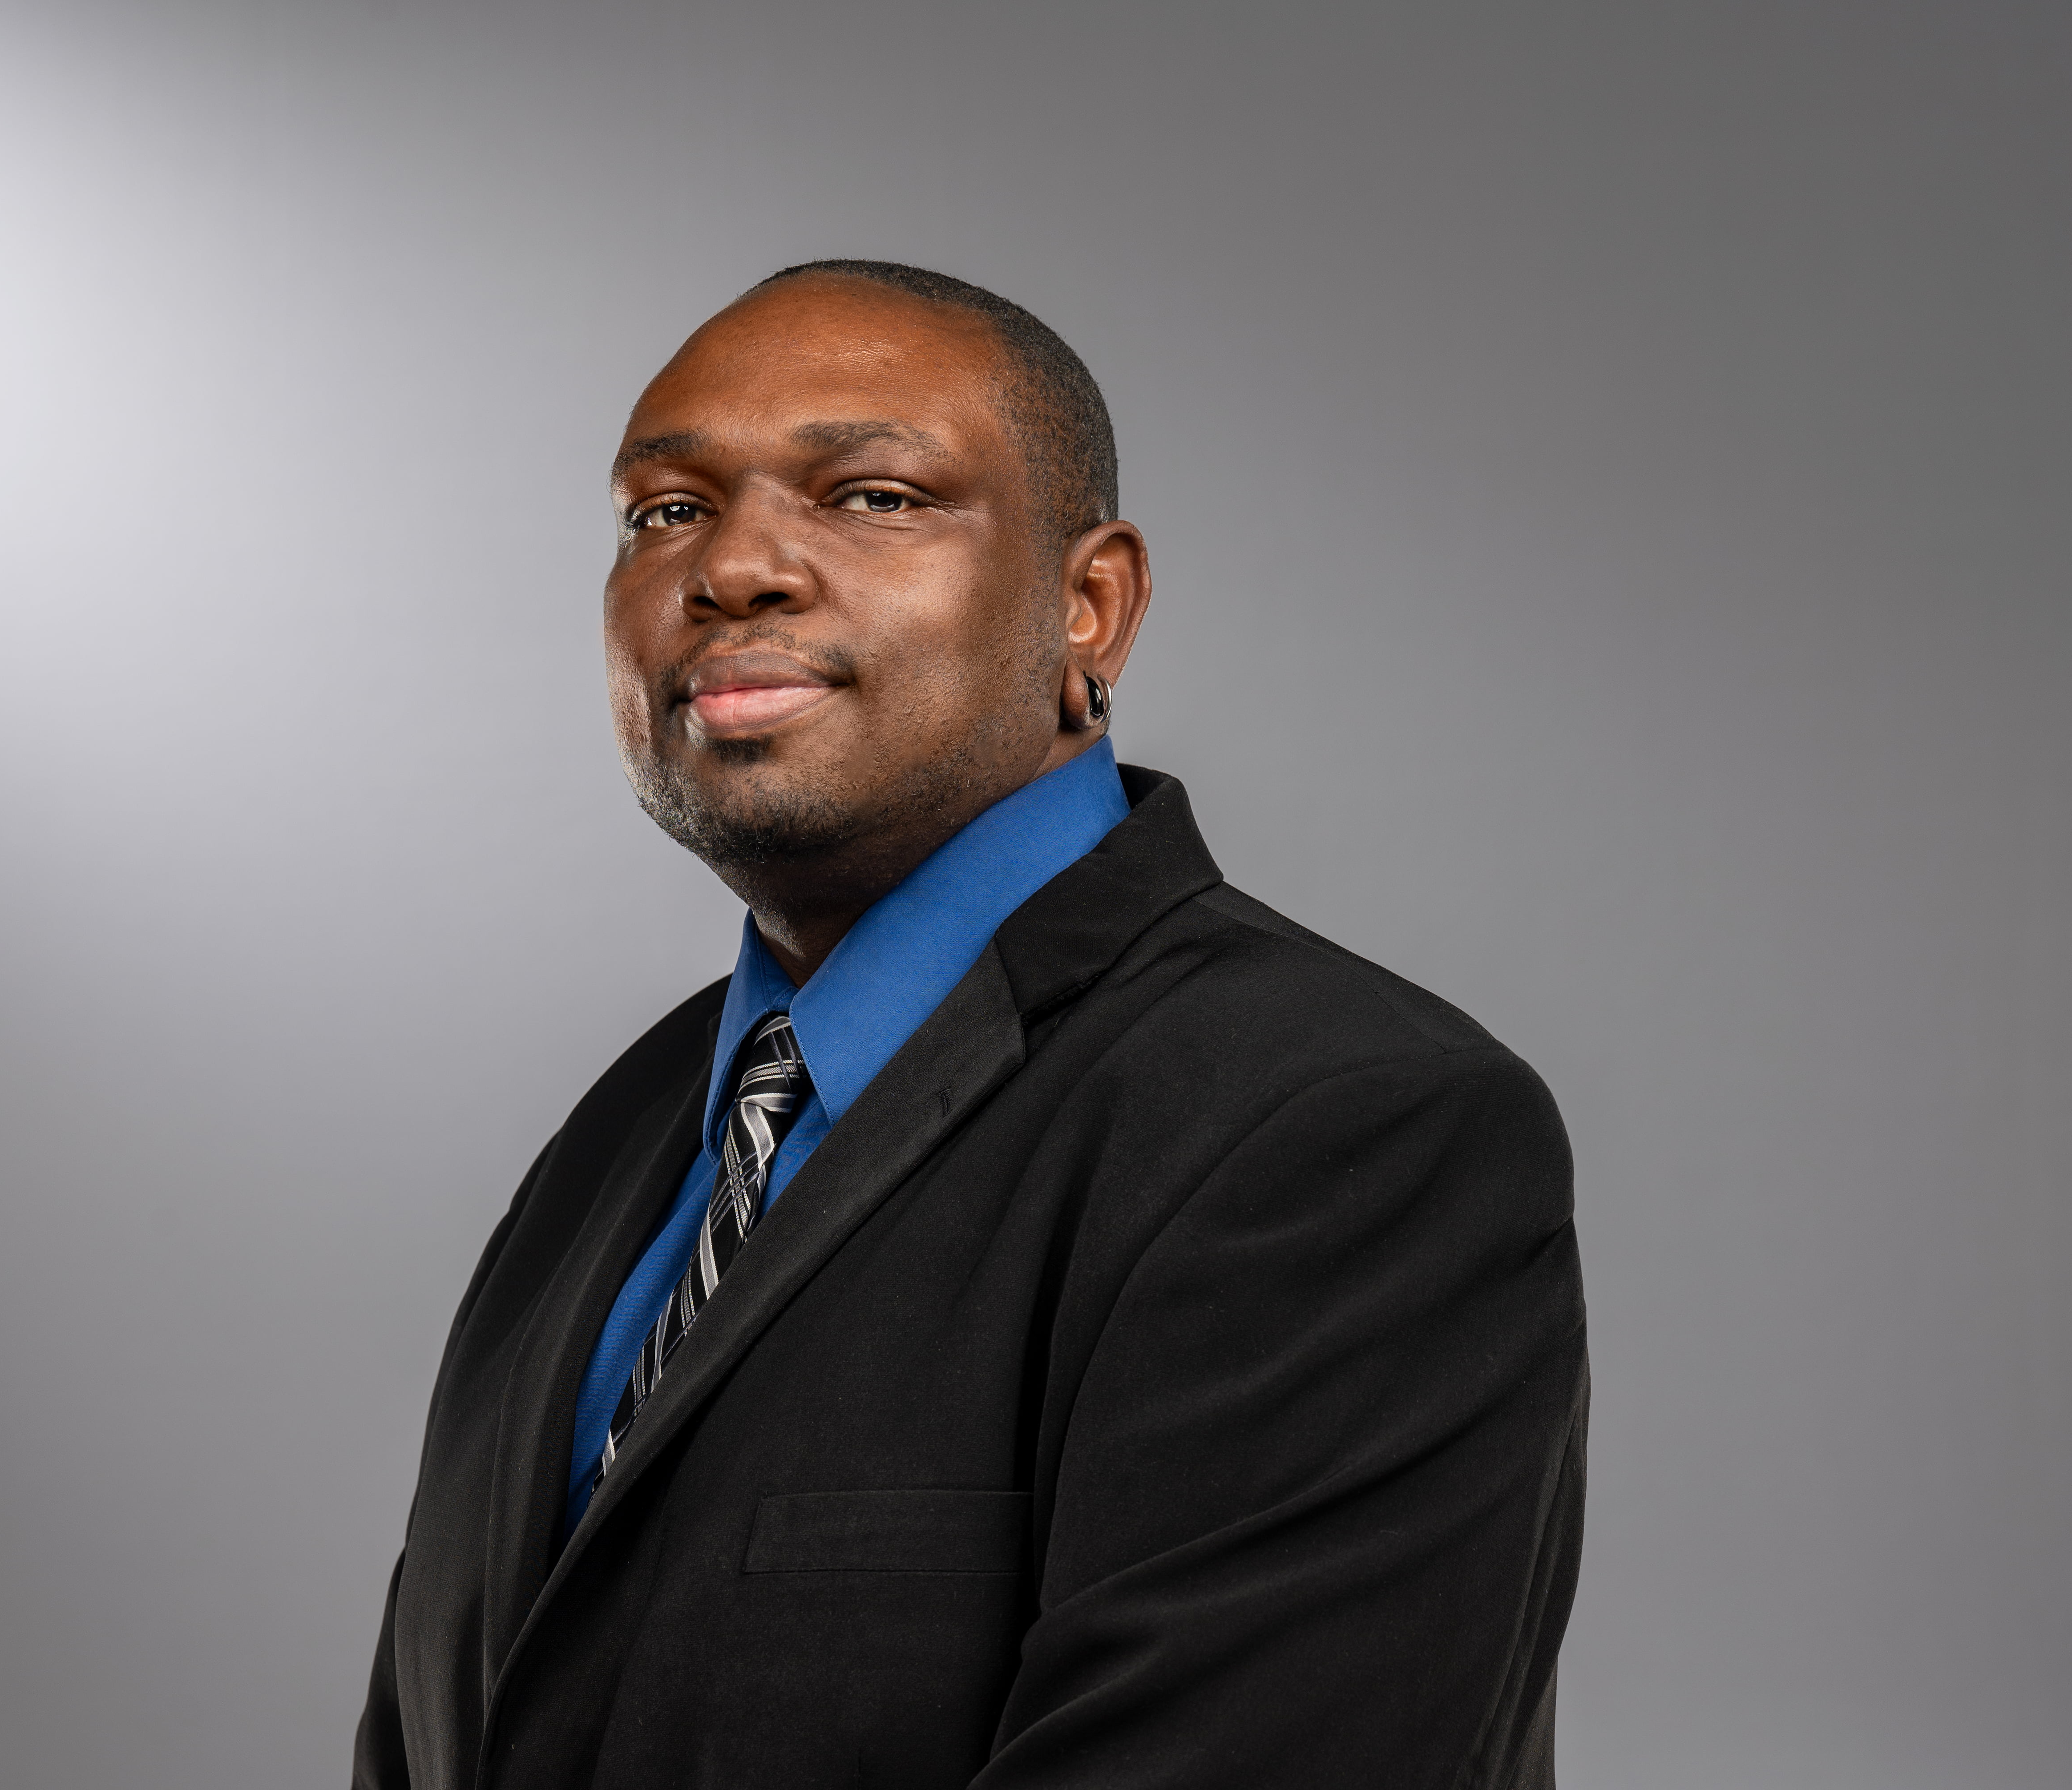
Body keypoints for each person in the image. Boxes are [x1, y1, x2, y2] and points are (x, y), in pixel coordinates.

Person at [353, 260, 1586, 1790]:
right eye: (665, 511)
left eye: (874, 496)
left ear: (1091, 607)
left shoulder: (1343, 1125)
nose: (733, 567)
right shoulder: (621, 1137)